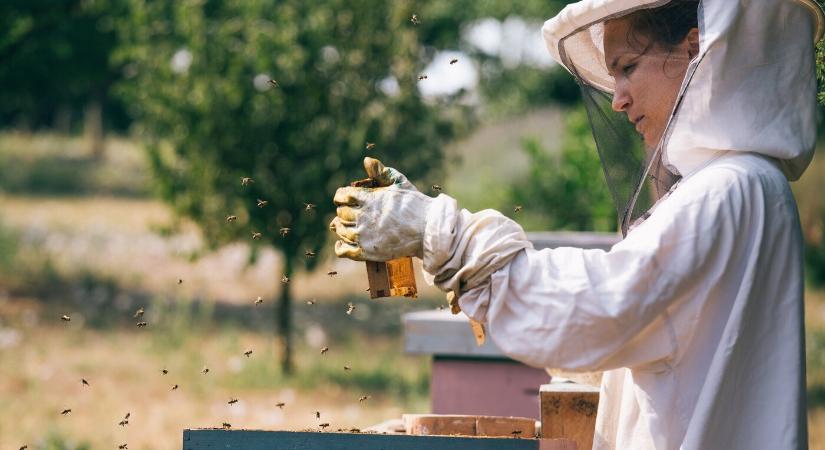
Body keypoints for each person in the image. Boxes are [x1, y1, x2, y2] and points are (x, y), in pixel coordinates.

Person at [330, 0, 825, 448]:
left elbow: (602, 305)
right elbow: (641, 330)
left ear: (696, 51)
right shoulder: (750, 186)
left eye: (627, 69)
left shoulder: (729, 189)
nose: (619, 99)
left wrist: (443, 232)